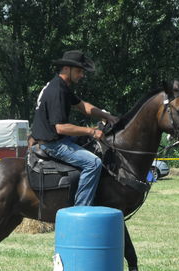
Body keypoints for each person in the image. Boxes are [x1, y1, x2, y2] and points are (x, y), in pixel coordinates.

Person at [31, 50, 118, 206]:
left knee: (92, 146)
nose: (82, 75)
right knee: (93, 163)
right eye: (79, 71)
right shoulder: (57, 91)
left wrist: (108, 116)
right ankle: (81, 209)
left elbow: (83, 106)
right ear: (66, 69)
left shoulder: (61, 86)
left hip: (55, 139)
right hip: (53, 144)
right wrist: (91, 131)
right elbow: (61, 128)